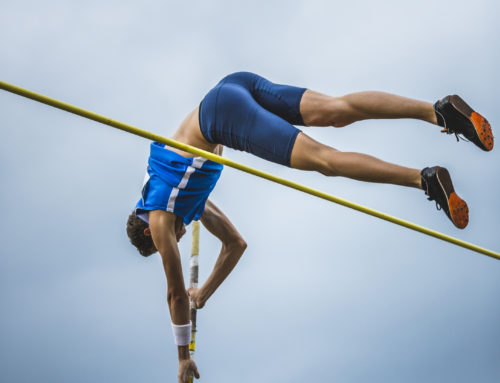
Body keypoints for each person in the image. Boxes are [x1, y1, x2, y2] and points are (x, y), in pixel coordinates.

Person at [126, 72, 493, 382]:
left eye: (165, 243)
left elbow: (174, 293)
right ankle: (440, 112)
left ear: (147, 233)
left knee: (324, 161)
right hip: (234, 87)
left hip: (224, 114)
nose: (175, 238)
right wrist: (204, 294)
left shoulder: (159, 215)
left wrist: (182, 357)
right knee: (337, 111)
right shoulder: (184, 200)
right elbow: (235, 244)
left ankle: (423, 180)